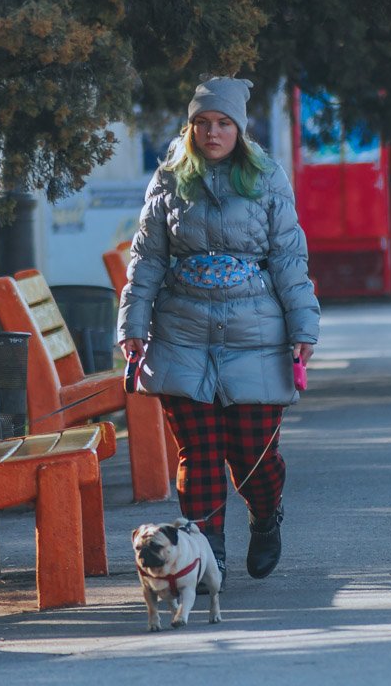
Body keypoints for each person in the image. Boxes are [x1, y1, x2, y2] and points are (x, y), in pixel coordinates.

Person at [117, 76, 320, 588]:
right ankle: (210, 556)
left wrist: (303, 328)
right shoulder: (168, 180)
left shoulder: (267, 178)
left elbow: (289, 259)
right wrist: (133, 326)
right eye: (202, 123)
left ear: (239, 129)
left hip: (256, 332)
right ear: (190, 128)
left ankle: (266, 514)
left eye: (223, 123)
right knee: (200, 453)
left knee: (253, 453)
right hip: (182, 332)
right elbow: (147, 259)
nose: (212, 133)